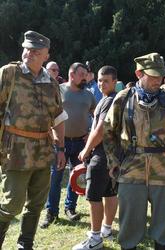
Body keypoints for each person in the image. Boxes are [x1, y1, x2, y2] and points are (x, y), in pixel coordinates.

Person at [103, 52, 165, 250]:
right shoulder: (123, 99)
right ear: (139, 73)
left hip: (164, 171)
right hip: (131, 170)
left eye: (161, 76)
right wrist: (113, 162)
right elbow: (108, 132)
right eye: (154, 75)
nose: (159, 80)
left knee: (163, 226)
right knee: (129, 226)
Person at [0, 30, 65, 250]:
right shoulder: (10, 73)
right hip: (15, 149)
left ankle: (25, 244)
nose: (30, 53)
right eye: (27, 48)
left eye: (36, 51)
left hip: (44, 150)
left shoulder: (51, 82)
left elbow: (57, 117)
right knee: (11, 205)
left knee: (36, 204)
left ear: (46, 55)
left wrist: (61, 148)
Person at [40, 62, 96, 228]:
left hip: (80, 143)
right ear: (72, 75)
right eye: (81, 75)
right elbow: (49, 114)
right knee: (55, 178)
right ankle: (51, 212)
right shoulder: (59, 90)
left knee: (77, 177)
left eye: (86, 75)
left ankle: (70, 208)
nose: (85, 78)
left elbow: (98, 116)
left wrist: (90, 133)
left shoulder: (89, 95)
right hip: (60, 143)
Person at [72, 66, 119, 250]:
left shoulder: (110, 100)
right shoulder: (108, 99)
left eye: (106, 80)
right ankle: (106, 229)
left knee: (93, 195)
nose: (101, 84)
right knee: (109, 192)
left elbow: (99, 131)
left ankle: (95, 238)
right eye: (99, 80)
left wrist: (86, 149)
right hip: (112, 155)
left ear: (115, 81)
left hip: (102, 154)